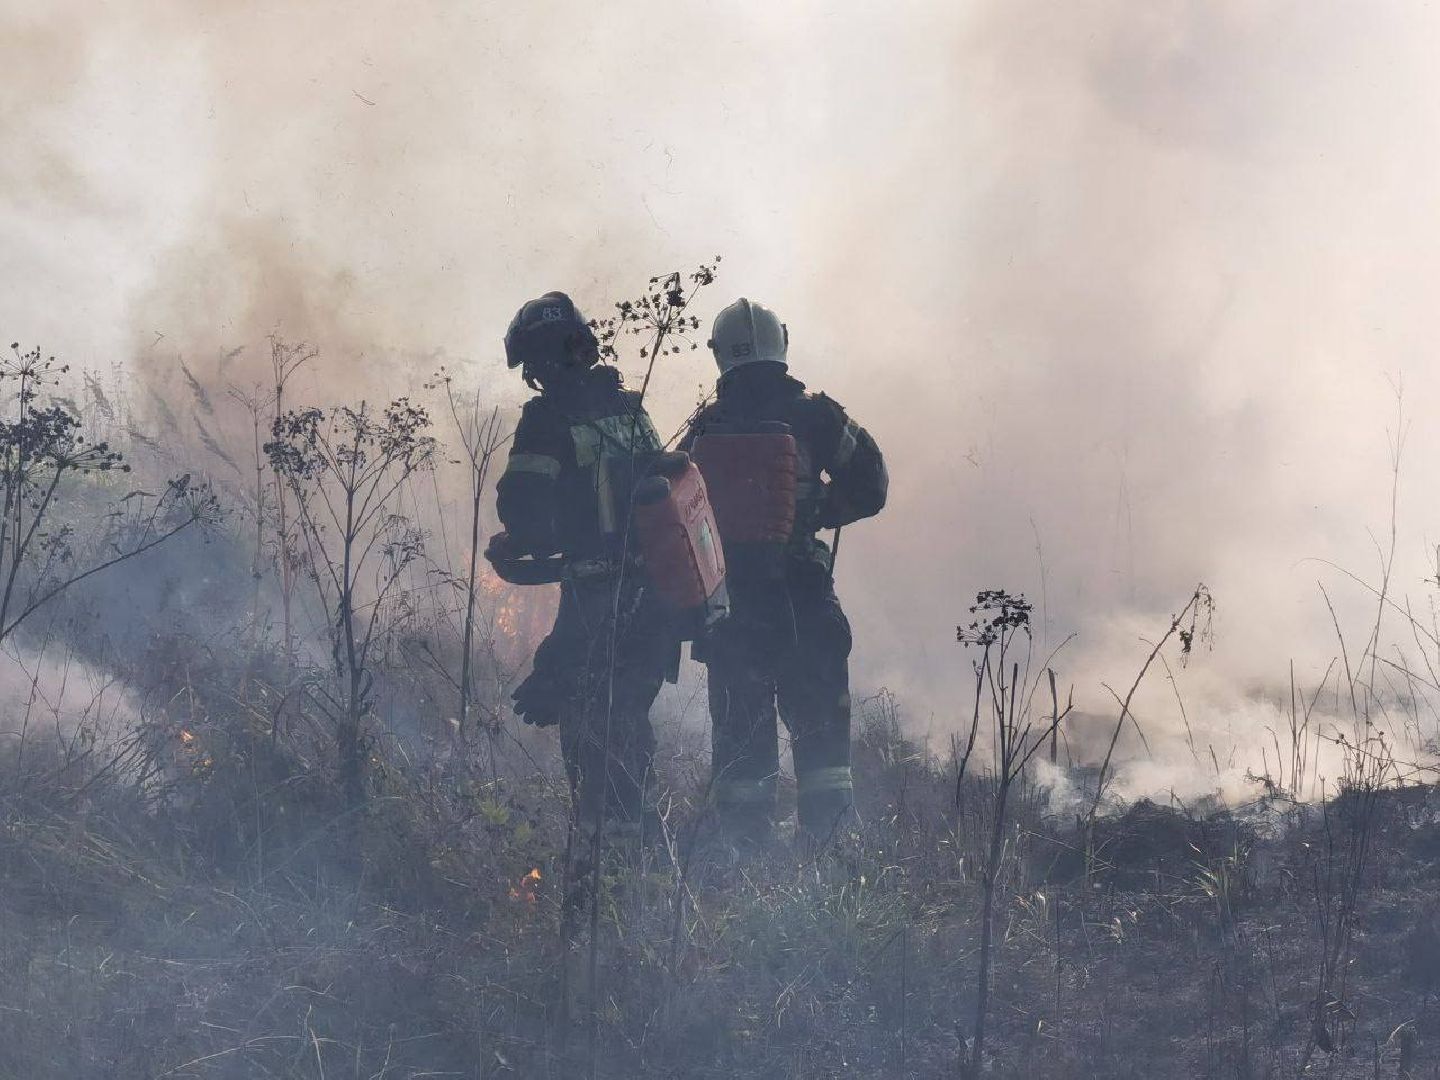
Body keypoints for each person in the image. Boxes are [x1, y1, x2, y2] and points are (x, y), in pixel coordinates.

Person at [681, 298, 887, 842]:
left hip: (733, 617)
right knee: (825, 761)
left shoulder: (705, 425)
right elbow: (872, 486)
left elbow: (679, 518)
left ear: (721, 355)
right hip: (805, 608)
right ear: (781, 343)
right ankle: (832, 867)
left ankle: (744, 874)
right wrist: (817, 509)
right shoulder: (817, 416)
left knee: (742, 764)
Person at [490, 291, 676, 844]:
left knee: (597, 749)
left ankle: (606, 888)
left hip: (598, 602)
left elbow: (523, 505)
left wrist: (520, 541)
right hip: (657, 604)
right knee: (628, 737)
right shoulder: (631, 409)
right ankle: (643, 877)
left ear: (537, 363)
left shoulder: (548, 420)